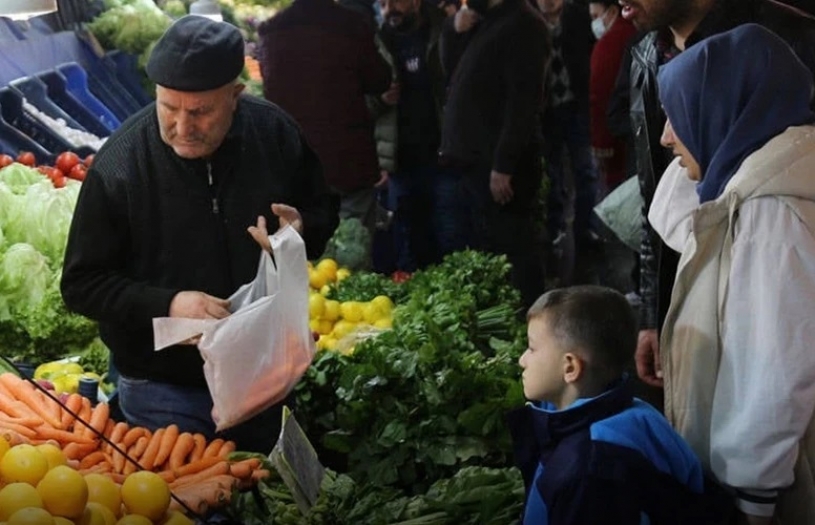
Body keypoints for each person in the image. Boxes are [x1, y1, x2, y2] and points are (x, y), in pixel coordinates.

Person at [60, 16, 339, 454]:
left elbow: (325, 209)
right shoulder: (121, 166)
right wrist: (168, 303)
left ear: (236, 96)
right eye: (168, 108)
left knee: (268, 499)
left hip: (263, 373)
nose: (182, 127)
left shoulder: (274, 134)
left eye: (201, 112)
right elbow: (81, 285)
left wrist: (301, 230)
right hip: (163, 393)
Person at [649, 25, 815, 525]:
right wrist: (720, 140)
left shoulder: (770, 217)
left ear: (723, 109)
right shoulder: (759, 184)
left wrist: (750, 501)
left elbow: (772, 378)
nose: (665, 136)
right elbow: (681, 222)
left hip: (762, 495)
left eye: (678, 117)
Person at [619, 0, 815, 390]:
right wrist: (655, 313)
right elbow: (652, 189)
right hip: (691, 292)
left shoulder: (792, 38)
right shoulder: (644, 53)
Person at [509, 286, 721, 524]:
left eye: (531, 348)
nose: (522, 360)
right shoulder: (633, 410)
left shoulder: (591, 471)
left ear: (570, 367)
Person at [257, 0, 391, 268]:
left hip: (294, 163)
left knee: (304, 259)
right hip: (347, 161)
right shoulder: (349, 25)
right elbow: (380, 78)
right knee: (355, 252)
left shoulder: (272, 31)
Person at [439, 0, 549, 308]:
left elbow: (523, 103)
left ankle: (531, 322)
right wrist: (453, 30)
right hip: (475, 162)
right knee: (490, 249)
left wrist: (504, 164)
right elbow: (451, 72)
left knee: (515, 251)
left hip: (500, 168)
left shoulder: (523, 24)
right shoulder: (485, 21)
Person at [372, 0, 462, 272]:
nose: (389, 9)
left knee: (449, 236)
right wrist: (380, 98)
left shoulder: (443, 32)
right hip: (400, 162)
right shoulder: (378, 42)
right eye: (383, 3)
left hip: (443, 156)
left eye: (395, 1)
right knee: (408, 242)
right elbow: (360, 99)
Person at [537, 0, 599, 262]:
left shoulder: (577, 15)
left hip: (575, 105)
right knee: (552, 175)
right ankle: (555, 231)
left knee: (585, 171)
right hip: (546, 111)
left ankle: (585, 228)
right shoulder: (529, 22)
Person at [588, 0, 636, 192]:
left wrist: (600, 144)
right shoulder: (635, 34)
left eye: (595, 16)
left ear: (612, 11)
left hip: (617, 145)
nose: (595, 23)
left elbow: (599, 97)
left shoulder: (608, 45)